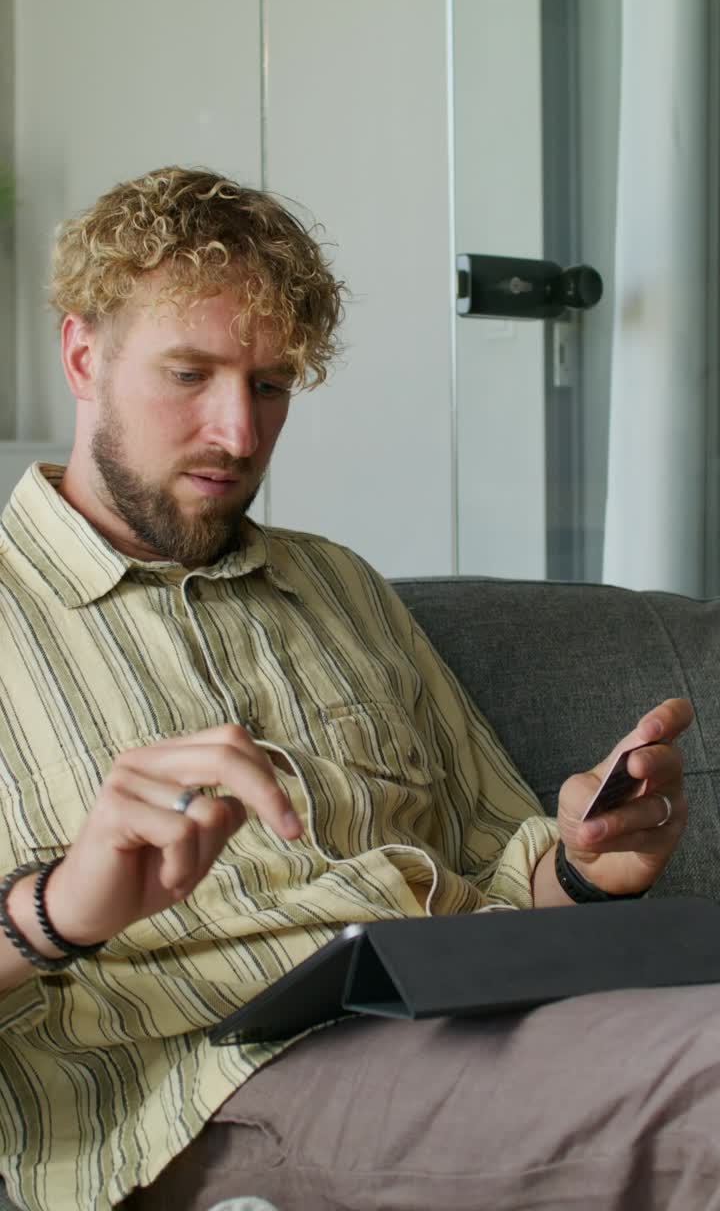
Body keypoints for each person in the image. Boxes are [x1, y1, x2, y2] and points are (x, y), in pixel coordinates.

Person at [0, 166, 713, 1211]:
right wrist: (57, 910)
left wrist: (590, 865)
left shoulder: (336, 584)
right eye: (189, 373)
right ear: (82, 354)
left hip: (477, 1010)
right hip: (210, 1083)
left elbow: (504, 864)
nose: (239, 434)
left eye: (271, 384)